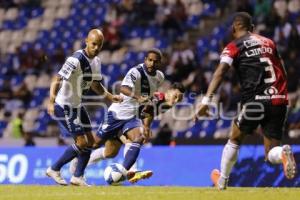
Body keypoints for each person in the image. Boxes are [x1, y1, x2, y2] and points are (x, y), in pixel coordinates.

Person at [194, 12, 297, 190]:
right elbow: (284, 72)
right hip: (279, 99)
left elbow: (220, 72)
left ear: (234, 28)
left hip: (256, 101)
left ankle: (223, 180)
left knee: (235, 137)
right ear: (252, 28)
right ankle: (282, 153)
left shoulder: (233, 46)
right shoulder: (269, 43)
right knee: (270, 154)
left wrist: (206, 101)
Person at [46, 29, 122, 186]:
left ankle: (77, 177)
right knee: (81, 142)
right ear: (86, 41)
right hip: (64, 105)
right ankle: (54, 169)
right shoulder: (75, 60)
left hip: (77, 105)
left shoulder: (97, 62)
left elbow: (95, 84)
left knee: (92, 142)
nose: (96, 48)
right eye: (93, 44)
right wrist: (51, 100)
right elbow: (57, 78)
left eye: (99, 45)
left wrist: (110, 96)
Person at [70, 83, 185, 183]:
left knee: (110, 153)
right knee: (98, 143)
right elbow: (146, 110)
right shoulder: (158, 97)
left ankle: (79, 165)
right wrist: (146, 127)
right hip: (119, 115)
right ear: (169, 91)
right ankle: (132, 171)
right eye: (175, 96)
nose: (175, 101)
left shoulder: (166, 105)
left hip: (128, 122)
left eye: (178, 100)